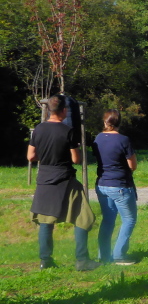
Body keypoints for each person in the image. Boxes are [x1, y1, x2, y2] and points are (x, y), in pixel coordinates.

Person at [27, 94, 99, 271]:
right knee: (83, 217)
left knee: (46, 221)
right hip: (65, 179)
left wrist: (45, 157)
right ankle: (82, 260)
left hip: (44, 179)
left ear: (49, 110)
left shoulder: (39, 129)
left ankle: (45, 261)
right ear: (64, 111)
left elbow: (30, 156)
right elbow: (76, 159)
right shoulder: (68, 131)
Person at [92, 109, 138, 265]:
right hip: (120, 185)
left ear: (105, 121)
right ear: (119, 122)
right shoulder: (123, 140)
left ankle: (103, 255)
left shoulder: (98, 138)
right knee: (129, 219)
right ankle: (119, 255)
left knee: (108, 220)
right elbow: (132, 165)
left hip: (102, 184)